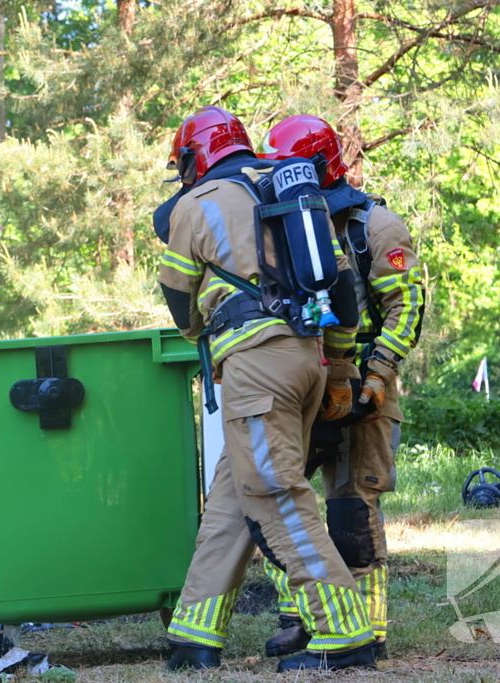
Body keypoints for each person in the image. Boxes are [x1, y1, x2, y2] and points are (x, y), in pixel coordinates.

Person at [156, 105, 377, 673]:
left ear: (195, 156)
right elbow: (343, 290)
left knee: (277, 497)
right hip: (307, 359)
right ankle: (194, 633)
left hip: (254, 368)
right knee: (236, 494)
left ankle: (344, 631)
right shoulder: (290, 186)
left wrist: (205, 327)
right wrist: (339, 366)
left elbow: (180, 302)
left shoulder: (195, 204)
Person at [257, 114, 425, 662]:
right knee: (286, 503)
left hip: (363, 391)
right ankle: (304, 619)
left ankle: (367, 629)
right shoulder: (276, 225)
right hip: (301, 385)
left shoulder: (374, 226)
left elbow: (405, 308)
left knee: (352, 510)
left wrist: (375, 378)